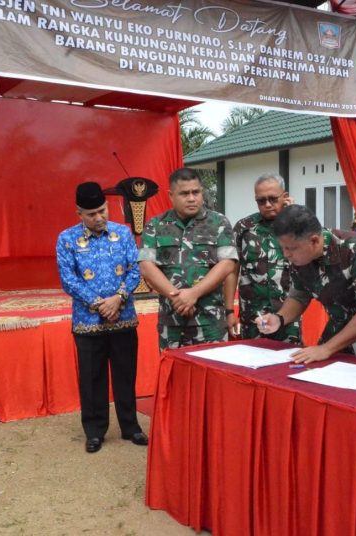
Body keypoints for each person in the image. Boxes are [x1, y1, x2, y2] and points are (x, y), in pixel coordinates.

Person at [56, 181, 147, 454]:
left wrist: (118, 298)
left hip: (124, 317)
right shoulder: (67, 239)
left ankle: (130, 427)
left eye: (102, 210)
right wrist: (99, 304)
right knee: (92, 378)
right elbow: (68, 279)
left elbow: (135, 269)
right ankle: (94, 432)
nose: (99, 217)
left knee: (125, 374)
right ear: (79, 213)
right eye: (92, 213)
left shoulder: (124, 233)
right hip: (88, 322)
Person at [258, 204, 356, 362]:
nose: (286, 254)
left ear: (314, 241)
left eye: (291, 249)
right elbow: (299, 296)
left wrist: (326, 348)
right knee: (319, 366)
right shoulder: (301, 256)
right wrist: (279, 319)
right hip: (341, 321)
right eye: (283, 248)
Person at [139, 168, 237, 350]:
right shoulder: (155, 225)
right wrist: (177, 297)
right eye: (184, 193)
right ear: (171, 195)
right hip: (171, 323)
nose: (192, 198)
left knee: (211, 376)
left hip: (210, 323)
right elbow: (146, 266)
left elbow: (227, 264)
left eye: (196, 192)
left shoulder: (219, 223)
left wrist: (194, 293)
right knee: (174, 376)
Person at [225, 173, 300, 343]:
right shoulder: (244, 228)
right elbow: (232, 270)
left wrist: (293, 218)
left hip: (288, 316)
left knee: (289, 365)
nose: (267, 204)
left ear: (285, 197)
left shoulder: (297, 225)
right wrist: (229, 310)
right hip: (253, 317)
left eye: (273, 199)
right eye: (261, 200)